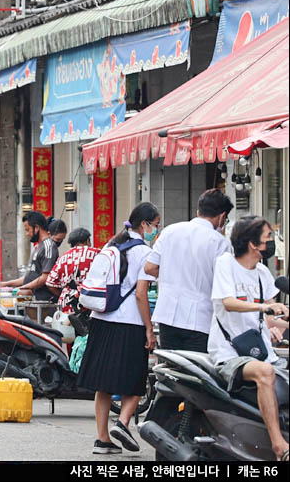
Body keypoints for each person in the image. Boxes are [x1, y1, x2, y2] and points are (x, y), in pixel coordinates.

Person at [77, 202, 160, 455]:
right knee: (135, 380)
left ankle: (102, 440)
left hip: (102, 320)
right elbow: (141, 294)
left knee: (104, 383)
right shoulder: (145, 253)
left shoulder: (112, 245)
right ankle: (123, 423)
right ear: (144, 224)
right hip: (130, 324)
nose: (156, 230)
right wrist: (149, 328)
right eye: (155, 225)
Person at [209, 216, 289, 461]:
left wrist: (279, 320)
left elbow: (269, 316)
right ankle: (279, 446)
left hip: (261, 350)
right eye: (267, 237)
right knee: (265, 373)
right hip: (229, 354)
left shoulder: (263, 272)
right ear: (253, 244)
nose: (271, 242)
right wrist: (263, 309)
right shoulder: (226, 264)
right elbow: (229, 303)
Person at [144, 188, 234, 352]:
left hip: (168, 315)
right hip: (199, 319)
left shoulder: (170, 231)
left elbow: (150, 267)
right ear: (222, 216)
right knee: (195, 372)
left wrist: (171, 274)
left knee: (170, 370)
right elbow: (223, 283)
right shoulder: (220, 243)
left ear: (198, 211)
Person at [0, 212, 59, 316]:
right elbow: (28, 277)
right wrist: (6, 284)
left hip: (43, 303)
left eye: (28, 230)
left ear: (36, 227)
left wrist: (23, 288)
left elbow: (46, 277)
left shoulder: (49, 246)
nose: (27, 234)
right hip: (31, 303)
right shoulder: (37, 247)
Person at [45, 227, 101, 314]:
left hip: (67, 303)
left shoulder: (63, 258)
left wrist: (65, 291)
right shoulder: (97, 253)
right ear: (87, 241)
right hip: (90, 301)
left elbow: (50, 283)